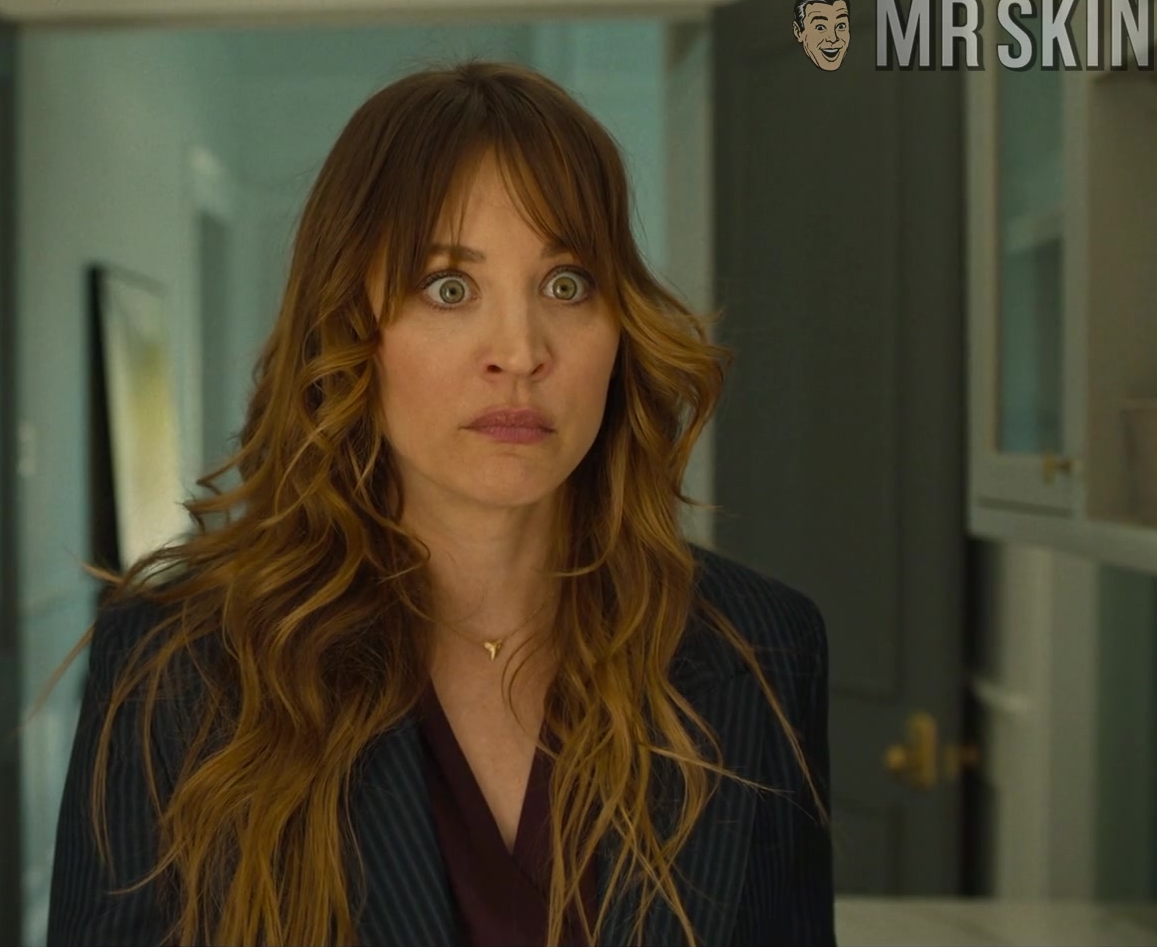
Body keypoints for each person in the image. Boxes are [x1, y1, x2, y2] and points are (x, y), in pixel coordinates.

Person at [44, 60, 834, 947]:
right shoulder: (176, 664)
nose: (520, 352)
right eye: (449, 288)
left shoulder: (760, 648)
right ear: (351, 327)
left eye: (567, 283)